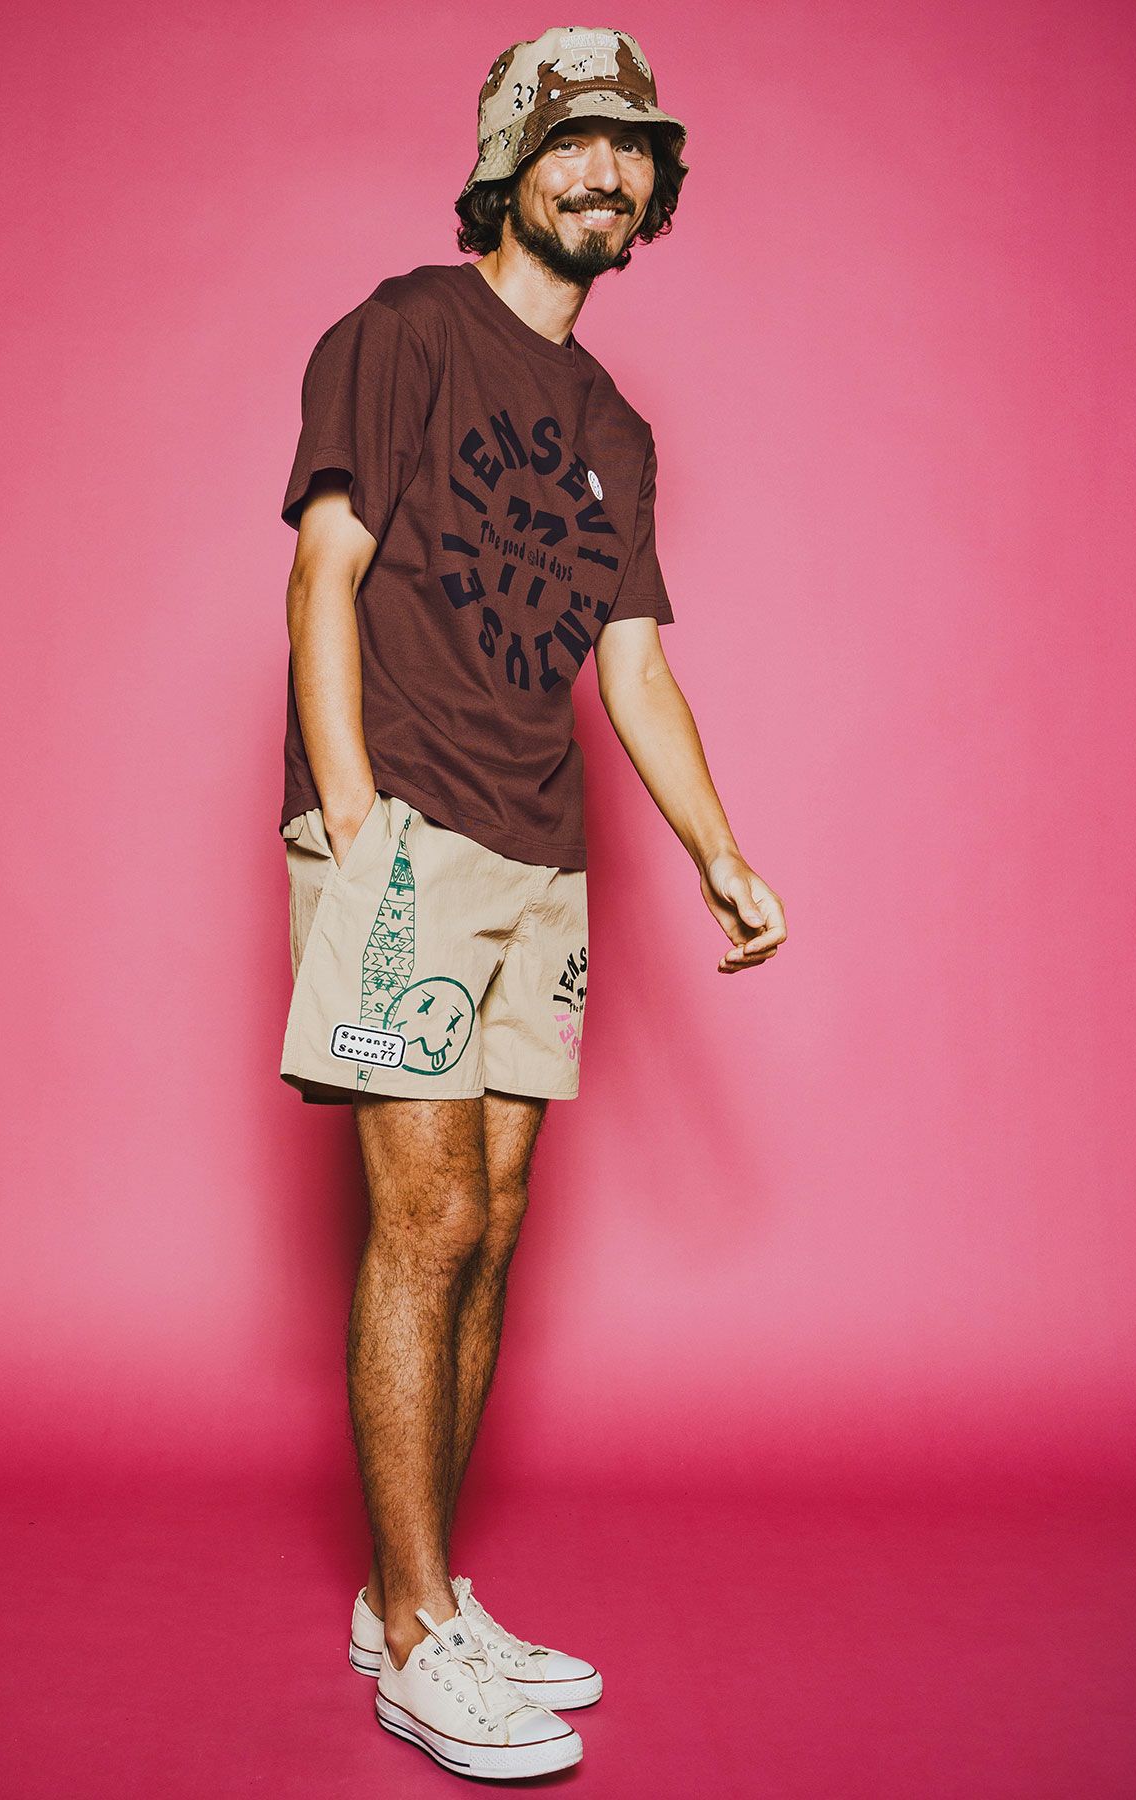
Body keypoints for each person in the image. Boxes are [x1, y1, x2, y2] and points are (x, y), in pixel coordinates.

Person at [276, 25, 787, 1781]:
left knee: (490, 1224)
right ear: (507, 163)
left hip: (542, 856)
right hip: (406, 830)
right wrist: (355, 820)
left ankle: (408, 1593)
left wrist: (718, 850)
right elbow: (325, 568)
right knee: (423, 1223)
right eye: (575, 140)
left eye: (635, 150)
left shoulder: (616, 431)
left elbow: (632, 666)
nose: (608, 171)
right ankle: (418, 1642)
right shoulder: (404, 331)